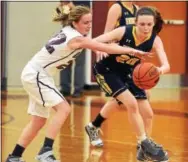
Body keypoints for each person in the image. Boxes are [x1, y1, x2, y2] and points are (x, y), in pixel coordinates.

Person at [5, 6, 149, 162]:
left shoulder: (70, 31)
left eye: (90, 22)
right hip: (36, 75)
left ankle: (15, 156)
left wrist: (125, 50)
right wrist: (133, 51)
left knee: (38, 121)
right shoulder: (76, 38)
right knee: (64, 108)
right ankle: (45, 152)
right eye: (85, 22)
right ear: (74, 23)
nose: (89, 25)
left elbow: (99, 45)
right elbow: (103, 46)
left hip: (37, 74)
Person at [85, 6, 170, 162]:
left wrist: (159, 70)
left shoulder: (155, 39)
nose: (145, 28)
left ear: (153, 24)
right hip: (107, 71)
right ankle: (145, 143)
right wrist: (101, 48)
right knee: (131, 103)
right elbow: (93, 41)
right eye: (142, 24)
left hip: (130, 73)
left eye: (149, 25)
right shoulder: (124, 31)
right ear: (135, 23)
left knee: (148, 114)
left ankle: (142, 150)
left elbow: (166, 65)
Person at [54, 1, 90, 98]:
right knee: (64, 62)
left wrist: (71, 6)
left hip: (80, 35)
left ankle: (78, 90)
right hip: (66, 34)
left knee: (79, 64)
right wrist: (62, 8)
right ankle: (65, 89)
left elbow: (84, 16)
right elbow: (63, 16)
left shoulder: (83, 2)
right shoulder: (66, 2)